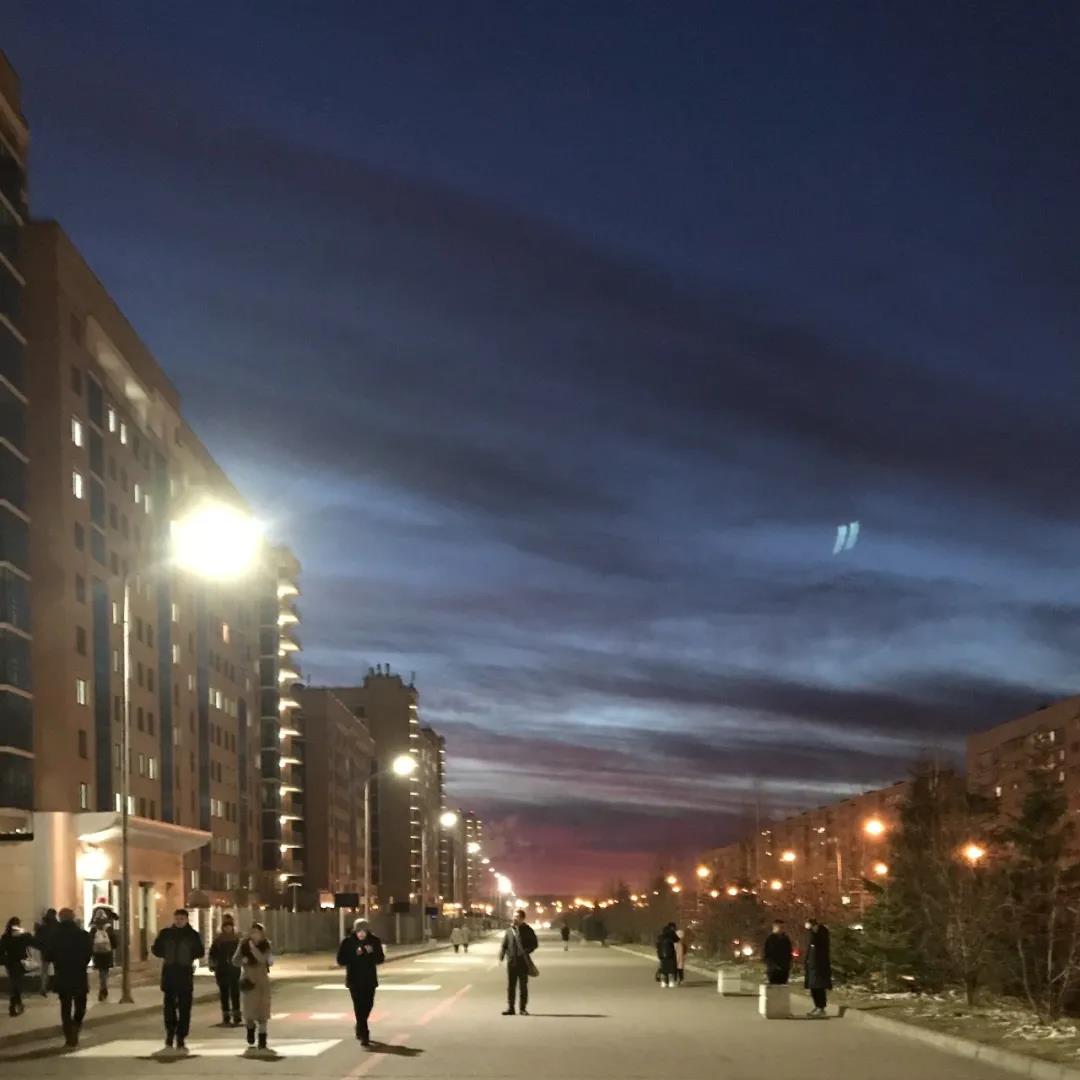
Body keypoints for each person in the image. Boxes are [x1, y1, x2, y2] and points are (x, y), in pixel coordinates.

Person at [151, 908, 205, 1053]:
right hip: (169, 974)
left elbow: (200, 951)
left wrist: (188, 955)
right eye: (177, 919)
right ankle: (170, 1033)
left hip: (184, 974)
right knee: (169, 1008)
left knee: (184, 1008)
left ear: (186, 920)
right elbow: (156, 949)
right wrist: (166, 953)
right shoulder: (166, 933)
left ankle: (181, 1036)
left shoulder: (192, 935)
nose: (179, 921)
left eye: (182, 919)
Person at [337, 918, 385, 1047]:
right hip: (354, 980)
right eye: (359, 931)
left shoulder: (374, 941)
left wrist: (371, 952)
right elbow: (341, 960)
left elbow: (380, 959)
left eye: (364, 931)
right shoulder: (348, 942)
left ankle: (359, 1025)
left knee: (368, 1004)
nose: (361, 933)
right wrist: (355, 954)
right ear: (355, 931)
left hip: (369, 980)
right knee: (359, 1007)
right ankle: (364, 1034)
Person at [50, 908, 92, 1048]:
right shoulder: (83, 935)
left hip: (62, 974)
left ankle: (69, 1035)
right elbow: (88, 954)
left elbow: (49, 955)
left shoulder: (55, 936)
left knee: (65, 1007)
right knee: (81, 1005)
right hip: (79, 974)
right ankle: (76, 1025)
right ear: (73, 917)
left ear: (60, 918)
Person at [233, 922, 274, 1054]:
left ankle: (262, 1040)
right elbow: (235, 960)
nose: (255, 935)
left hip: (262, 982)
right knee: (249, 1013)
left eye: (258, 932)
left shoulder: (266, 945)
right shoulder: (243, 944)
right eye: (253, 932)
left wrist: (253, 948)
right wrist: (242, 960)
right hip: (248, 981)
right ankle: (250, 1030)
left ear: (262, 934)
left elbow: (262, 959)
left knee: (263, 1013)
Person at [499, 909, 538, 1016]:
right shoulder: (509, 931)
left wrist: (527, 951)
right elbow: (504, 944)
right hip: (511, 962)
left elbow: (535, 944)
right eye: (514, 916)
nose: (514, 918)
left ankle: (522, 1009)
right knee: (511, 986)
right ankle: (510, 1008)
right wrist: (501, 956)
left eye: (517, 916)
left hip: (523, 962)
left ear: (522, 918)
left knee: (523, 986)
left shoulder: (528, 930)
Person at [208, 914, 242, 1025]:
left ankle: (236, 1015)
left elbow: (242, 953)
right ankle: (226, 1015)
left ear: (232, 927)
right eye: (226, 927)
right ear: (223, 928)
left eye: (229, 927)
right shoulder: (218, 941)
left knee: (235, 992)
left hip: (234, 969)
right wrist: (212, 965)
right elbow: (212, 954)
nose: (228, 929)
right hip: (221, 969)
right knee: (224, 993)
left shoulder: (236, 940)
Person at [0, 916, 33, 1016]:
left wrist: (5, 960)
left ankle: (17, 1004)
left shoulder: (6, 936)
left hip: (11, 963)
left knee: (15, 984)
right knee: (16, 985)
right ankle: (13, 1007)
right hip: (20, 962)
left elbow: (1, 950)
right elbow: (30, 939)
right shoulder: (21, 935)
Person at [803, 918, 832, 1017]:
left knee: (819, 987)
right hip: (812, 965)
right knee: (813, 987)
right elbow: (810, 946)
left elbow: (815, 942)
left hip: (819, 966)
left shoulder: (821, 933)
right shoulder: (813, 934)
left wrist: (813, 931)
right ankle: (817, 1006)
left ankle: (821, 1007)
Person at [89, 913, 119, 1001]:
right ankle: (103, 987)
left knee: (101, 971)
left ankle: (103, 987)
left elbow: (90, 941)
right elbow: (114, 942)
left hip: (97, 953)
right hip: (107, 953)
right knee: (105, 971)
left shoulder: (93, 929)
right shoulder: (109, 928)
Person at [33, 908, 58, 997]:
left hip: (45, 951)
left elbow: (37, 938)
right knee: (57, 969)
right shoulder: (58, 925)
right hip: (56, 950)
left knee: (44, 970)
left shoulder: (42, 926)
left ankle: (43, 987)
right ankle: (57, 986)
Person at [763, 919, 793, 985]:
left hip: (784, 969)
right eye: (780, 927)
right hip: (773, 970)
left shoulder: (786, 939)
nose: (782, 929)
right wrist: (771, 965)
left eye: (783, 927)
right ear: (775, 927)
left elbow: (789, 952)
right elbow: (766, 954)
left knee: (783, 987)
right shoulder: (770, 939)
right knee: (774, 987)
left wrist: (789, 963)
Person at [656, 922, 679, 988]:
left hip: (662, 955)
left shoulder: (660, 937)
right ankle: (671, 982)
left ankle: (663, 982)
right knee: (671, 968)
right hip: (670, 954)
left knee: (663, 968)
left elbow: (658, 946)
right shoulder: (671, 934)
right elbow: (677, 940)